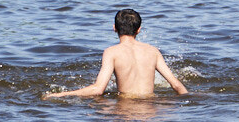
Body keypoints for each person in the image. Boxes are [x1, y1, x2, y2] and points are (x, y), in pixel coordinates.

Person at [44, 9, 188, 99]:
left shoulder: (111, 52)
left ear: (114, 28)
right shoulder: (153, 51)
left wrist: (60, 95)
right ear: (139, 30)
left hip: (125, 111)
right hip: (150, 111)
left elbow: (98, 89)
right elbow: (176, 85)